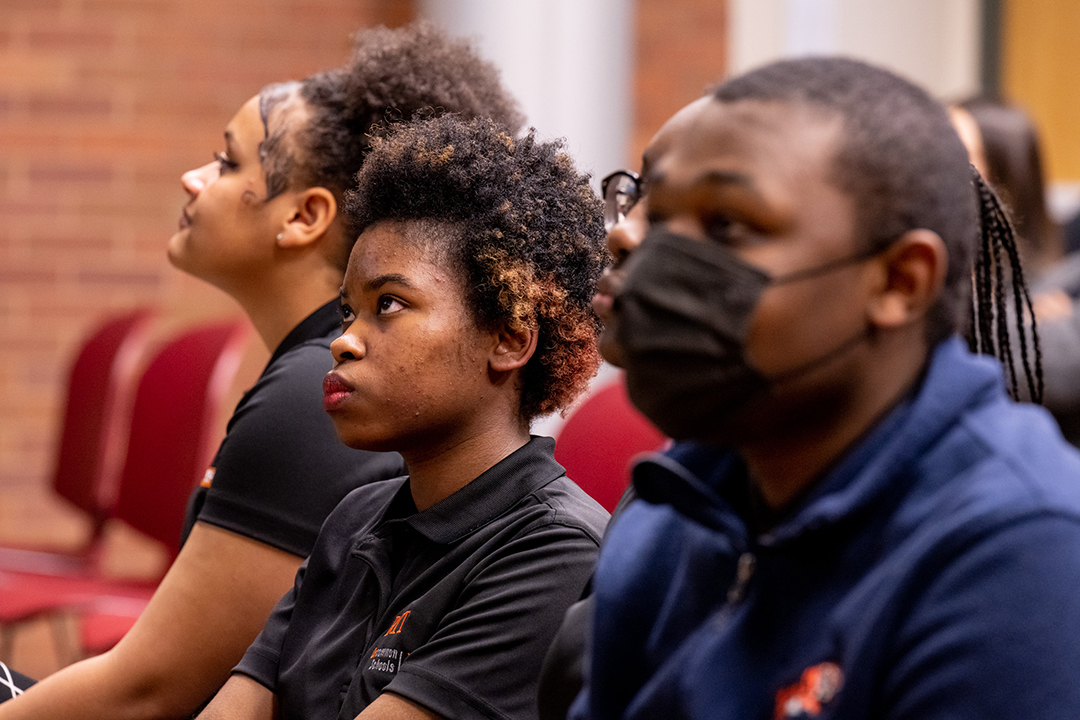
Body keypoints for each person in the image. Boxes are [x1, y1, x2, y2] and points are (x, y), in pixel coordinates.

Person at [0, 22, 523, 720]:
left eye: (226, 161)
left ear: (304, 216)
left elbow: (148, 693)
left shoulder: (313, 399)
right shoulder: (315, 388)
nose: (194, 177)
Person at [572, 57, 1080, 720]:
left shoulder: (1017, 545)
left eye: (725, 224)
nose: (629, 239)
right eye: (657, 213)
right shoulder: (673, 506)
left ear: (900, 281)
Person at [196, 114, 609, 720]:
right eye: (346, 312)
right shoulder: (355, 520)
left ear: (510, 339)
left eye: (388, 304)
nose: (344, 342)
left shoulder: (556, 554)